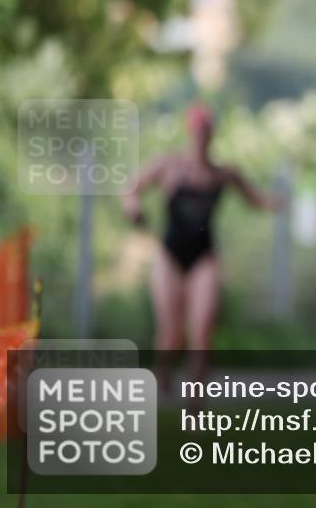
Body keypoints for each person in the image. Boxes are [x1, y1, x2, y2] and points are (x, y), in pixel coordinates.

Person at [121, 104, 282, 386]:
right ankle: (164, 371)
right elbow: (132, 189)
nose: (202, 137)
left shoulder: (223, 174)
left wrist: (283, 201)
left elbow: (256, 200)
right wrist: (134, 209)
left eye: (206, 131)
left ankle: (194, 407)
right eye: (197, 131)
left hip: (204, 257)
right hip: (169, 255)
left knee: (203, 334)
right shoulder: (169, 166)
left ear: (212, 134)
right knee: (171, 335)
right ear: (189, 132)